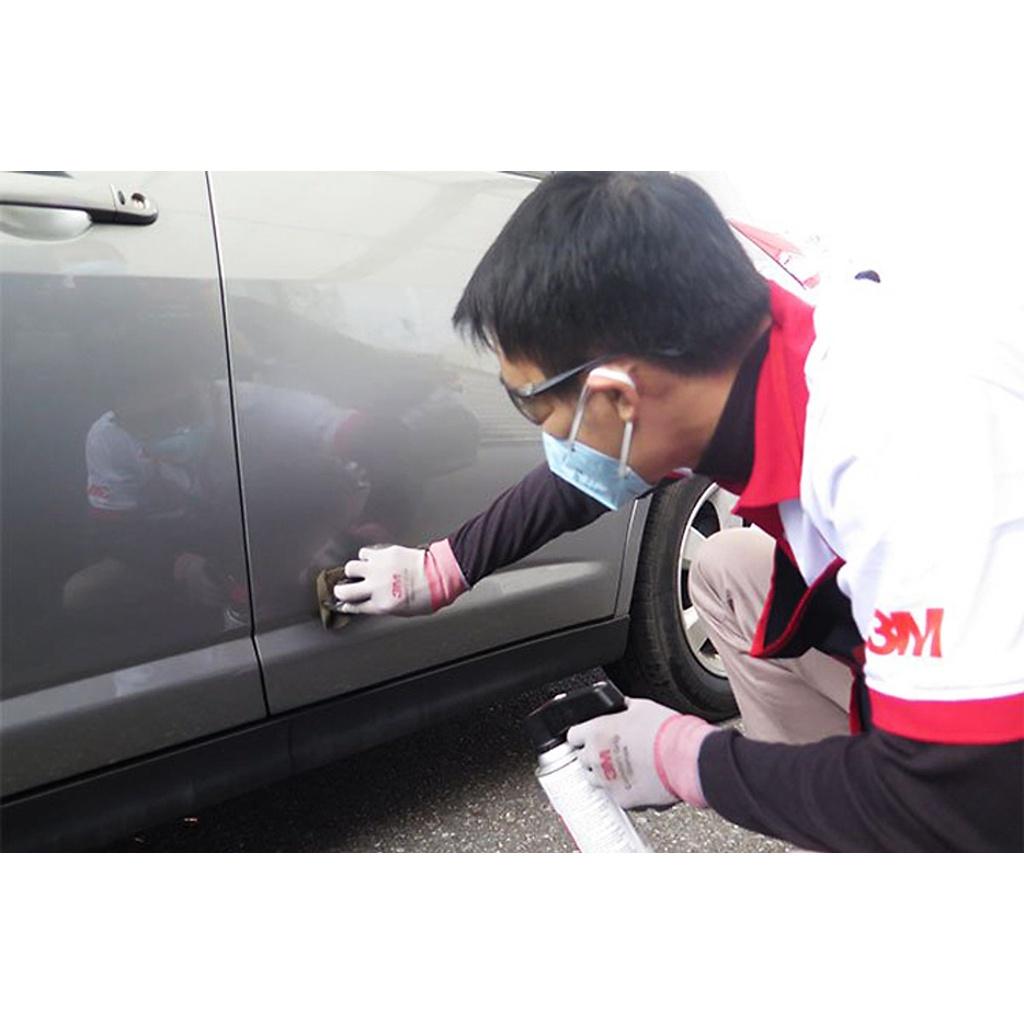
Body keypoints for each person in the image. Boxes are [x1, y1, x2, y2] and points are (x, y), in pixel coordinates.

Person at [331, 172, 1023, 852]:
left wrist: (689, 760)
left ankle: (884, 814)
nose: (552, 441)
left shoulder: (906, 438)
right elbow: (580, 479)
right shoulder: (730, 354)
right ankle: (846, 823)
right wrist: (444, 567)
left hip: (993, 773)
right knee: (728, 569)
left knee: (941, 800)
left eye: (535, 407)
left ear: (619, 397)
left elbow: (968, 797)